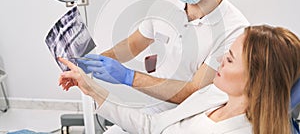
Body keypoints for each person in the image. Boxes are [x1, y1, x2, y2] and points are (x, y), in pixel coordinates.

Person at [76, 0, 248, 112]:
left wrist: (129, 77)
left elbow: (196, 90)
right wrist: (90, 63)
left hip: (194, 118)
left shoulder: (234, 30)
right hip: (153, 109)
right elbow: (133, 44)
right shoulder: (166, 5)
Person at [58, 25, 300, 133]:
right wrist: (90, 89)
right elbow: (152, 126)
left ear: (256, 79)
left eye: (230, 59)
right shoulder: (216, 96)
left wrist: (129, 77)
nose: (219, 59)